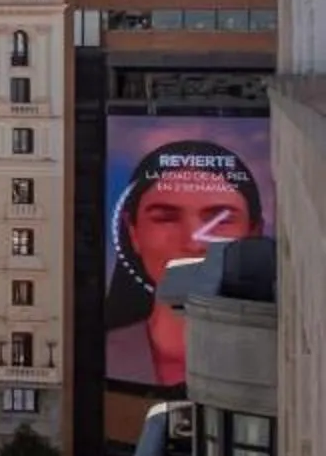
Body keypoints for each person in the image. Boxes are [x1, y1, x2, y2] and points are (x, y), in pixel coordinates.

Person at [105, 136, 267, 391]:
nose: (194, 242)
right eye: (165, 218)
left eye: (220, 220)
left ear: (254, 231)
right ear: (133, 232)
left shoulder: (282, 354)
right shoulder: (105, 356)